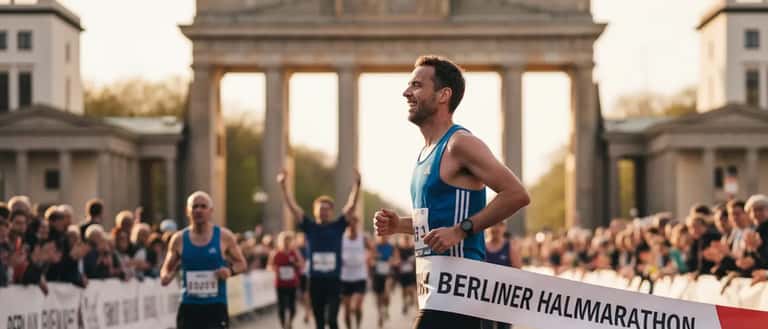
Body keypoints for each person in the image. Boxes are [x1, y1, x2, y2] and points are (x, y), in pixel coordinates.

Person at [373, 55, 530, 329]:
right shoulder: (425, 153)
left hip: (460, 289)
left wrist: (461, 230)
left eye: (417, 85)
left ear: (443, 95)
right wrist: (400, 225)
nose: (406, 92)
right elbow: (437, 225)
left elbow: (516, 194)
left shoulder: (460, 143)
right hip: (435, 289)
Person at [277, 169, 361, 329]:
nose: (324, 211)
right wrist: (283, 186)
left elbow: (351, 206)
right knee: (319, 322)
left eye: (327, 209)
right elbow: (293, 208)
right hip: (315, 281)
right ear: (315, 211)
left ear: (331, 211)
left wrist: (357, 186)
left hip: (334, 280)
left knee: (332, 320)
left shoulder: (338, 226)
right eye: (321, 208)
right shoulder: (310, 226)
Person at [160, 191, 247, 329]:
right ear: (187, 211)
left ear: (211, 211)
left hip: (216, 306)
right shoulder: (179, 239)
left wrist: (229, 271)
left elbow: (242, 264)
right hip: (189, 306)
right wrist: (166, 276)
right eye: (194, 206)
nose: (198, 210)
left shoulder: (224, 236)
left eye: (203, 206)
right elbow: (166, 269)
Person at [482, 221, 522, 329]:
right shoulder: (482, 247)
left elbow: (519, 273)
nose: (495, 228)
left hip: (504, 297)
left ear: (504, 227)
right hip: (485, 298)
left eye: (499, 225)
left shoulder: (510, 247)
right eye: (493, 224)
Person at [339, 215, 371, 329]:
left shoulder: (363, 238)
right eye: (350, 224)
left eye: (355, 224)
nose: (352, 226)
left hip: (360, 276)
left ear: (357, 224)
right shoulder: (341, 239)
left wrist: (368, 259)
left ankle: (358, 326)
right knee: (347, 310)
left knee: (357, 306)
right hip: (345, 277)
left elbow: (372, 250)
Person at [268, 231, 304, 329]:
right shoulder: (276, 253)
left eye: (288, 240)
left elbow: (301, 264)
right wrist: (275, 269)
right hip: (280, 284)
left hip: (292, 283)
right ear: (280, 241)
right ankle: (283, 325)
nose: (286, 242)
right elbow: (269, 266)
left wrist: (295, 264)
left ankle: (290, 323)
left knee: (293, 307)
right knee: (281, 306)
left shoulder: (295, 252)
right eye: (284, 240)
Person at [371, 235, 399, 328]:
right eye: (381, 236)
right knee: (378, 297)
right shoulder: (375, 246)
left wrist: (392, 261)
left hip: (388, 275)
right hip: (377, 275)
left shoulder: (391, 247)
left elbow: (397, 260)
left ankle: (386, 309)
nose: (383, 238)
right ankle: (380, 315)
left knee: (386, 294)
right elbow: (370, 259)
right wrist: (374, 260)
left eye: (385, 236)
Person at [395, 235, 416, 315]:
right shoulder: (399, 248)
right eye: (405, 238)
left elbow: (416, 257)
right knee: (404, 290)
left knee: (410, 289)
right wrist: (399, 262)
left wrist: (413, 261)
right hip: (403, 273)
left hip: (411, 272)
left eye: (407, 238)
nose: (406, 240)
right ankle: (404, 303)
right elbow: (397, 258)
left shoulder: (412, 247)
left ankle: (411, 300)